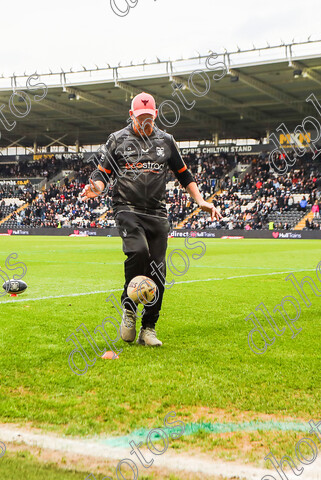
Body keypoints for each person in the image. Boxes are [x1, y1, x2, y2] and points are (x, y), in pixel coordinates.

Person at [79, 92, 222, 347]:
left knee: (158, 270)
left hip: (157, 213)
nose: (145, 122)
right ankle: (129, 309)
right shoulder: (118, 140)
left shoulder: (165, 141)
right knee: (138, 251)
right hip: (127, 208)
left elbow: (184, 175)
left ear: (154, 116)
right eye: (140, 117)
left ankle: (149, 328)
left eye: (149, 118)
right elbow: (103, 172)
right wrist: (97, 187)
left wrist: (200, 201)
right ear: (132, 115)